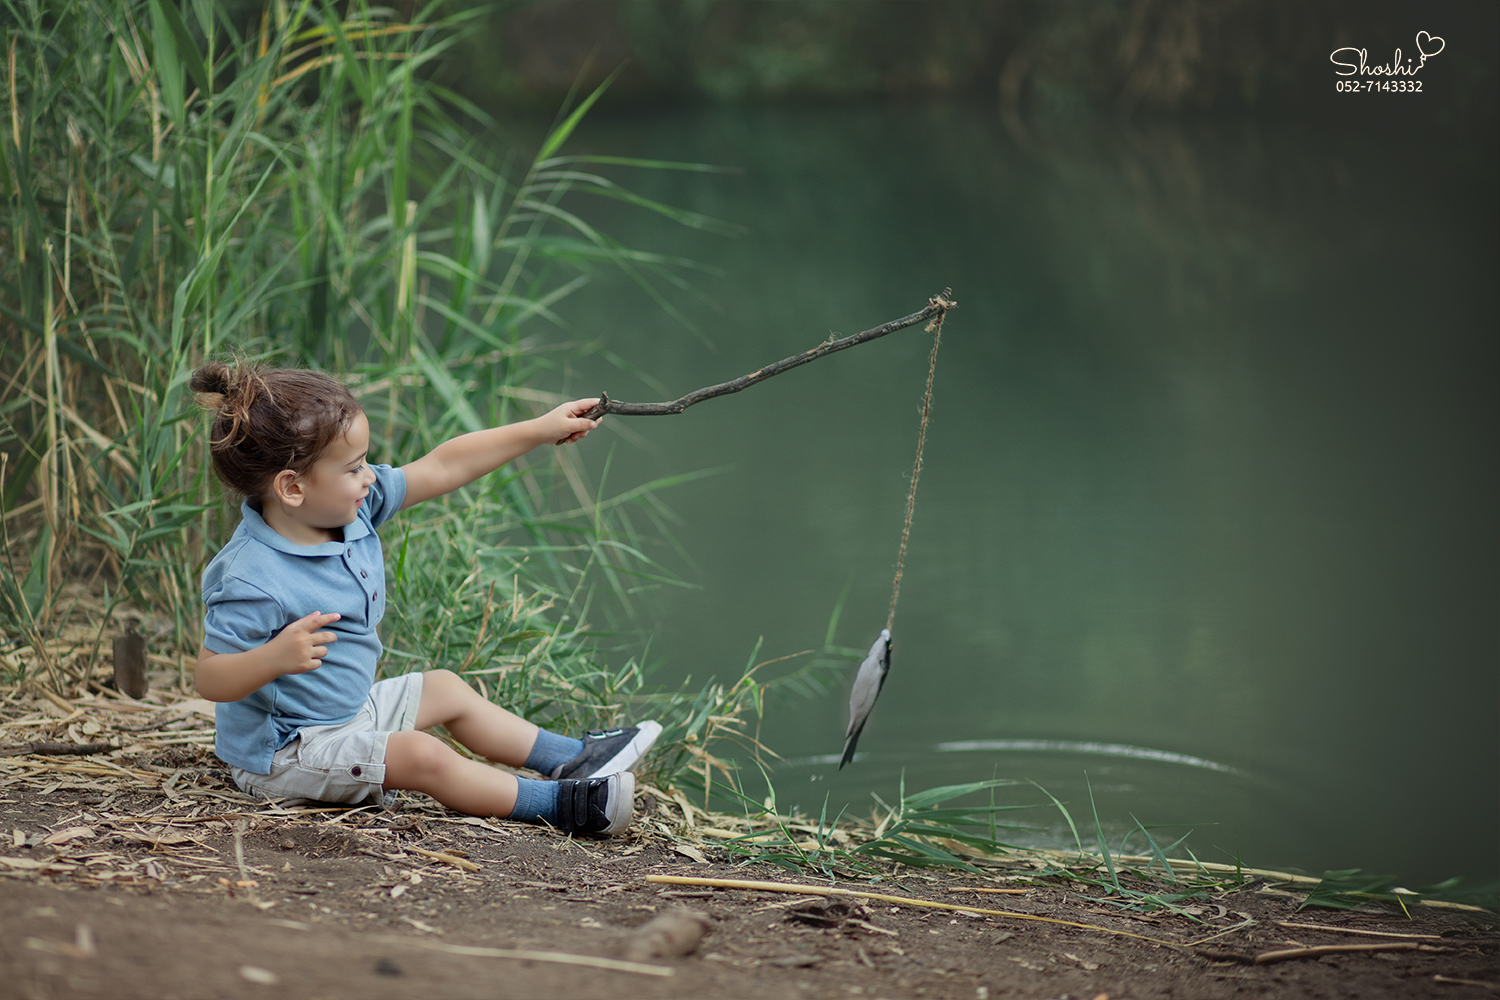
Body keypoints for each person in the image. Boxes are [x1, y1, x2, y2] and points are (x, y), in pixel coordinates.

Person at [190, 361, 658, 835]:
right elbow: (210, 677)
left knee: (445, 688)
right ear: (292, 487)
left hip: (351, 714)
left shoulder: (351, 510)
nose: (370, 477)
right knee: (421, 754)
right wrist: (272, 658)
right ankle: (563, 806)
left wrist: (539, 429)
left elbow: (443, 464)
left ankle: (575, 759)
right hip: (289, 753)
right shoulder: (253, 577)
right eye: (354, 468)